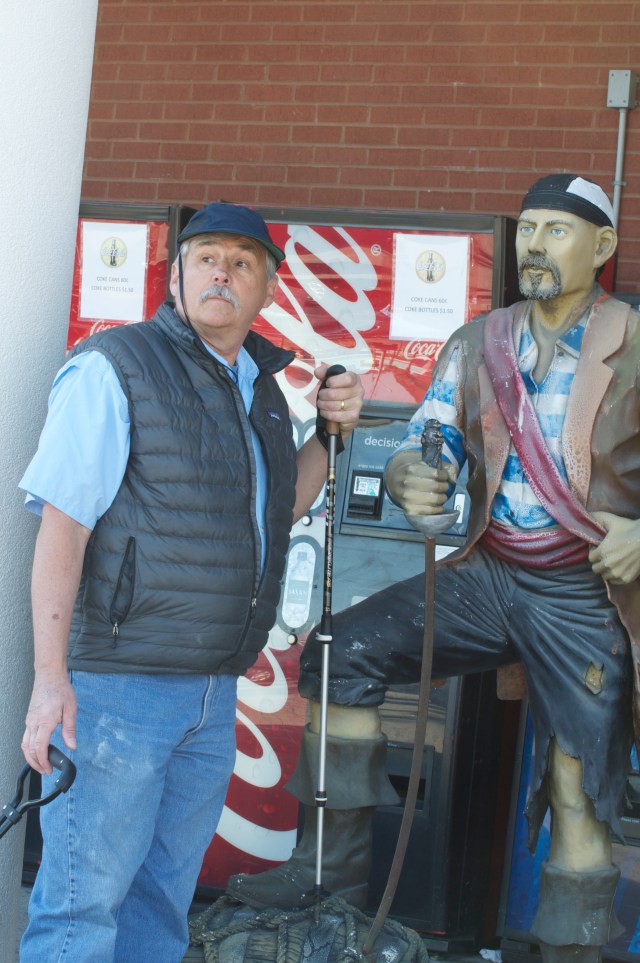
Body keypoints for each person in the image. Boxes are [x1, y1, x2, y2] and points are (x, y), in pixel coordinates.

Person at [227, 174, 640, 963]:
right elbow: (432, 440)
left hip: (583, 588)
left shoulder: (637, 342)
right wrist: (420, 477)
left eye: (557, 231)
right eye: (528, 230)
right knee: (338, 649)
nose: (535, 246)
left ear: (604, 246)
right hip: (489, 571)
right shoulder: (478, 340)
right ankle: (329, 886)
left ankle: (572, 952)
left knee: (575, 783)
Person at [18, 201, 364, 963]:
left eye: (242, 262)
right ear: (175, 274)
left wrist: (332, 435)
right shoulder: (118, 366)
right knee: (81, 907)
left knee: (161, 905)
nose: (222, 273)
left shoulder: (261, 390)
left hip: (212, 693)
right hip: (116, 689)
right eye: (205, 256)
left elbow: (288, 505)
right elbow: (63, 525)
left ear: (267, 290)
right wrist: (50, 681)